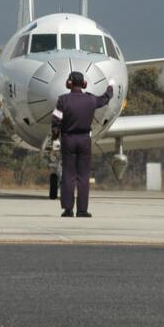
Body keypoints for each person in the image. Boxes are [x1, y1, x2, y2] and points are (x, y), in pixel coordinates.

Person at [51, 71, 115, 218]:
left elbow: (56, 120)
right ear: (84, 84)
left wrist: (55, 137)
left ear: (69, 83)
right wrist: (111, 86)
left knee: (68, 174)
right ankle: (82, 210)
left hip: (68, 139)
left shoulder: (62, 100)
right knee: (83, 176)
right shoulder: (91, 100)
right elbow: (105, 99)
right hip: (85, 139)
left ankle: (68, 209)